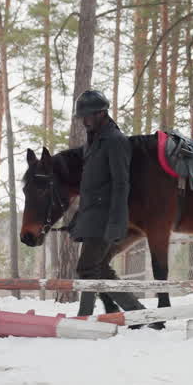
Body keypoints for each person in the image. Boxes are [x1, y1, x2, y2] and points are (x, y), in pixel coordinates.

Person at [70, 89, 143, 318]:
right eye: (82, 116)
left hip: (106, 218)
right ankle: (138, 314)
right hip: (91, 217)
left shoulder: (115, 141)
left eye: (88, 116)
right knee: (99, 268)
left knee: (87, 268)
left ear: (101, 113)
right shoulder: (94, 141)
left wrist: (116, 223)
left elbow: (122, 184)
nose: (84, 121)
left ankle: (84, 316)